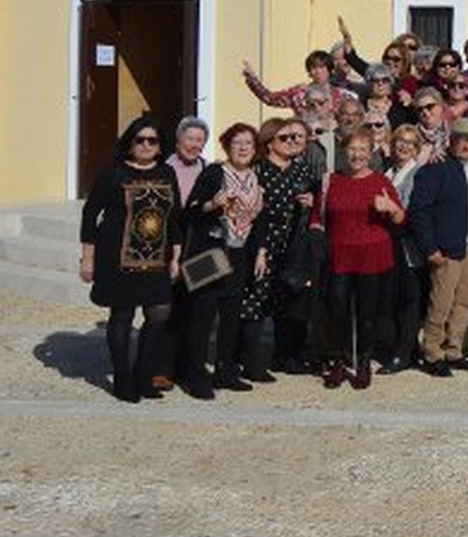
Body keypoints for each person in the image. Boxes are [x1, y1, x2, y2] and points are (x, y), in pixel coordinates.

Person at [80, 117, 183, 403]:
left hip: (157, 256)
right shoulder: (113, 172)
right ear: (130, 143)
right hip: (116, 256)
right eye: (141, 140)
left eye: (153, 141)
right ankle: (123, 377)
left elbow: (174, 217)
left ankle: (143, 373)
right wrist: (88, 258)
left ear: (160, 146)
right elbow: (91, 214)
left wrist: (175, 256)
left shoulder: (167, 173)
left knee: (159, 312)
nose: (147, 145)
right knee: (122, 315)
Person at [176, 123, 264, 399]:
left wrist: (260, 250)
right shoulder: (214, 173)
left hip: (239, 254)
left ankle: (225, 371)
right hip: (210, 252)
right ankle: (195, 375)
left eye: (248, 143)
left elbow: (259, 219)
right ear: (227, 146)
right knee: (202, 316)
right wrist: (212, 205)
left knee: (230, 315)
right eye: (237, 142)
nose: (242, 148)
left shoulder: (254, 177)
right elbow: (191, 211)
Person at [317, 129, 404, 390]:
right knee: (337, 311)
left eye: (362, 150)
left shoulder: (381, 182)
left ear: (370, 154)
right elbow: (317, 217)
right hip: (339, 253)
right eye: (352, 149)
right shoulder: (331, 181)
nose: (356, 155)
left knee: (367, 314)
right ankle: (339, 362)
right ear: (344, 152)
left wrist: (391, 209)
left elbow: (401, 220)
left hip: (371, 254)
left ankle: (364, 362)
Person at [409, 118, 468, 377]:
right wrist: (430, 247)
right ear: (451, 140)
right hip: (447, 248)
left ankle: (454, 349)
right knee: (440, 303)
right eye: (462, 139)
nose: (466, 144)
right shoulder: (436, 169)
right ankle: (432, 351)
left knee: (464, 303)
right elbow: (419, 211)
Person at [242, 118, 319, 381]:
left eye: (294, 138)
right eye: (284, 138)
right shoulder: (258, 171)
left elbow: (314, 201)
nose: (291, 142)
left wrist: (311, 202)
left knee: (290, 300)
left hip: (293, 244)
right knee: (256, 299)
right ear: (269, 143)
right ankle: (250, 361)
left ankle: (287, 356)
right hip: (264, 242)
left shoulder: (302, 170)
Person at [378, 124, 425, 374]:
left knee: (409, 299)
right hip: (387, 244)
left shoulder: (419, 174)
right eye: (399, 142)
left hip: (408, 245)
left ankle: (403, 353)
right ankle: (404, 348)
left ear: (417, 148)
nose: (404, 147)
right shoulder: (386, 173)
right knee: (393, 298)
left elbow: (411, 211)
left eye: (409, 143)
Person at [241, 50, 357, 120]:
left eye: (321, 67)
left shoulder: (343, 96)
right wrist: (252, 78)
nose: (317, 72)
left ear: (330, 70)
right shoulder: (299, 93)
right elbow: (269, 98)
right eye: (313, 68)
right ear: (309, 72)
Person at [166, 117, 210, 207]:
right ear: (178, 141)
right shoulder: (164, 168)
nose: (194, 145)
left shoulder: (209, 170)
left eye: (199, 140)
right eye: (190, 139)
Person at [412, 86, 449, 164]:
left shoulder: (453, 132)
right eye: (420, 109)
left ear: (441, 106)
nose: (425, 112)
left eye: (430, 106)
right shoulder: (412, 136)